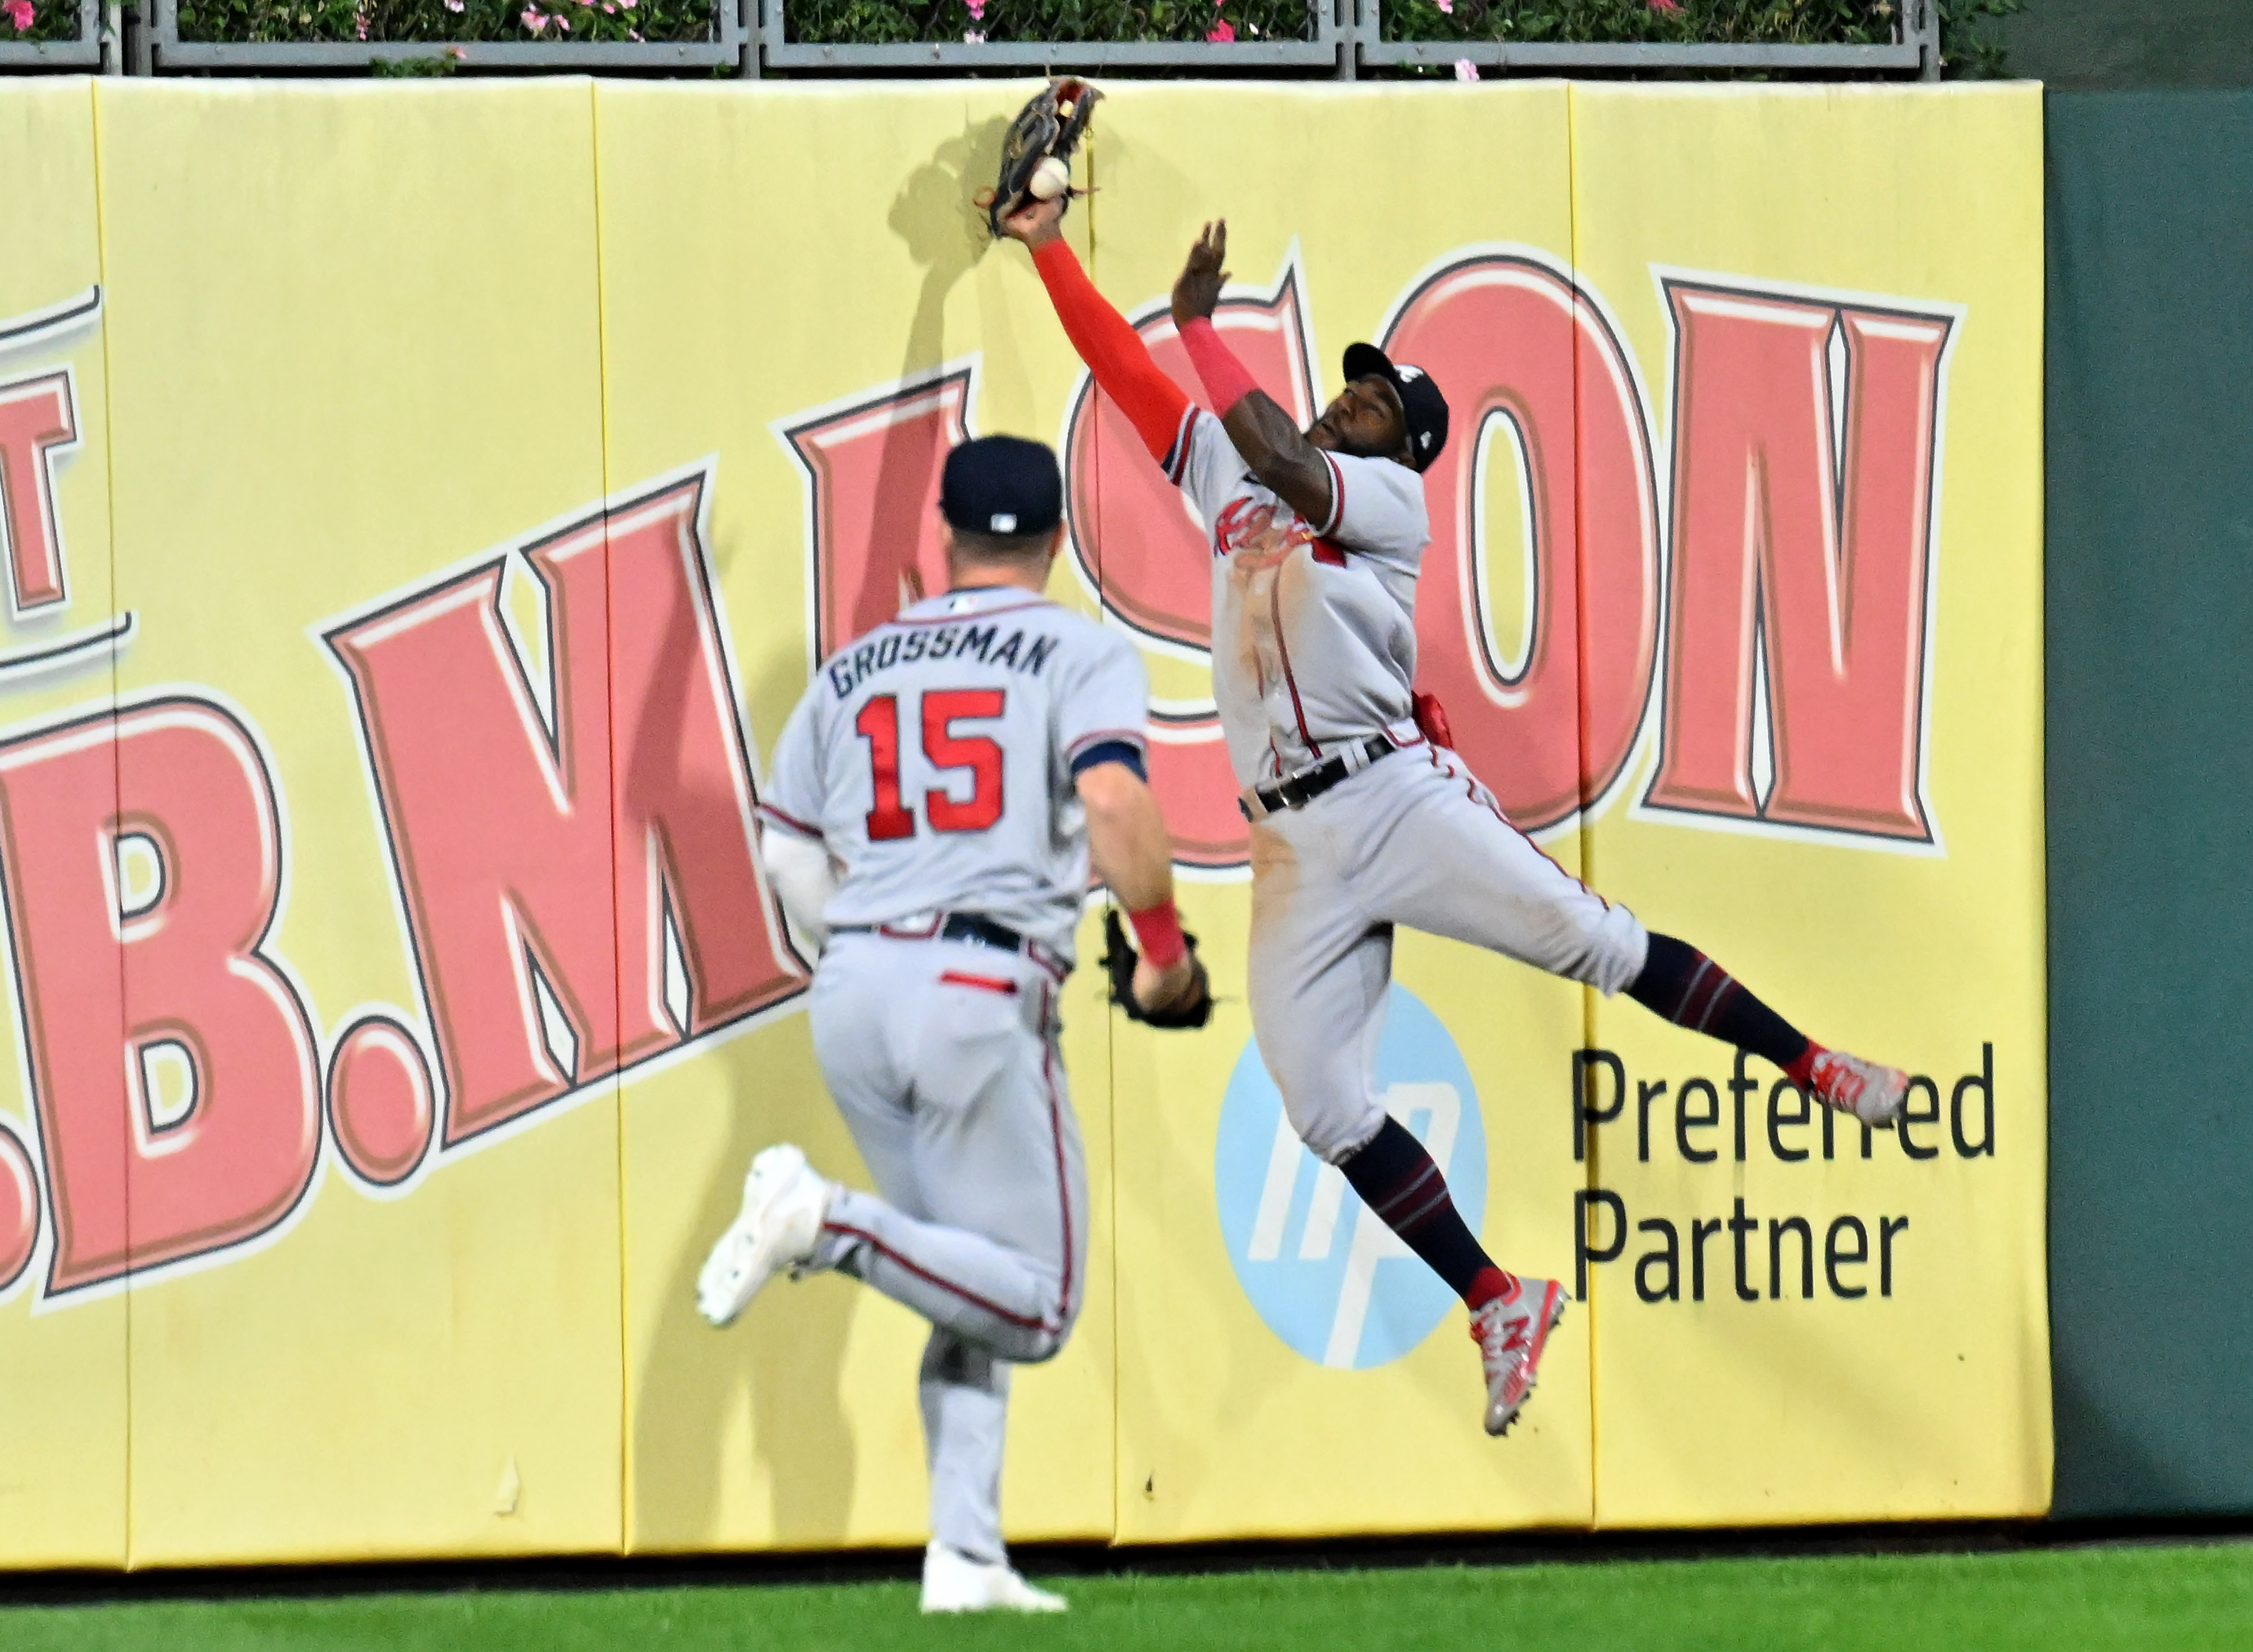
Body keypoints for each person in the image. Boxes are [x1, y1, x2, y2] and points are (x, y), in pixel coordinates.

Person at [1003, 198, 1909, 1438]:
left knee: (1593, 942)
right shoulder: (1234, 460)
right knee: (1320, 1103)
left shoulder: (1384, 501)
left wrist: (1202, 331)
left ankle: (1814, 1066)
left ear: (1405, 442)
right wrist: (1045, 243)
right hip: (1290, 842)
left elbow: (1280, 460)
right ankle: (1494, 1299)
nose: (1348, 399)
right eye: (1349, 387)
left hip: (1389, 797)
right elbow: (1120, 371)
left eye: (1374, 400)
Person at [697, 435, 1204, 1614]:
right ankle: (819, 1221)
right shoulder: (1075, 646)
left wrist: (871, 953)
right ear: (1056, 540)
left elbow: (782, 854)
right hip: (974, 986)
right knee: (1035, 1298)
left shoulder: (854, 666)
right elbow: (1116, 801)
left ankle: (963, 1554)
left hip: (857, 986)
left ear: (945, 533)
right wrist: (1167, 958)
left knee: (960, 1275)